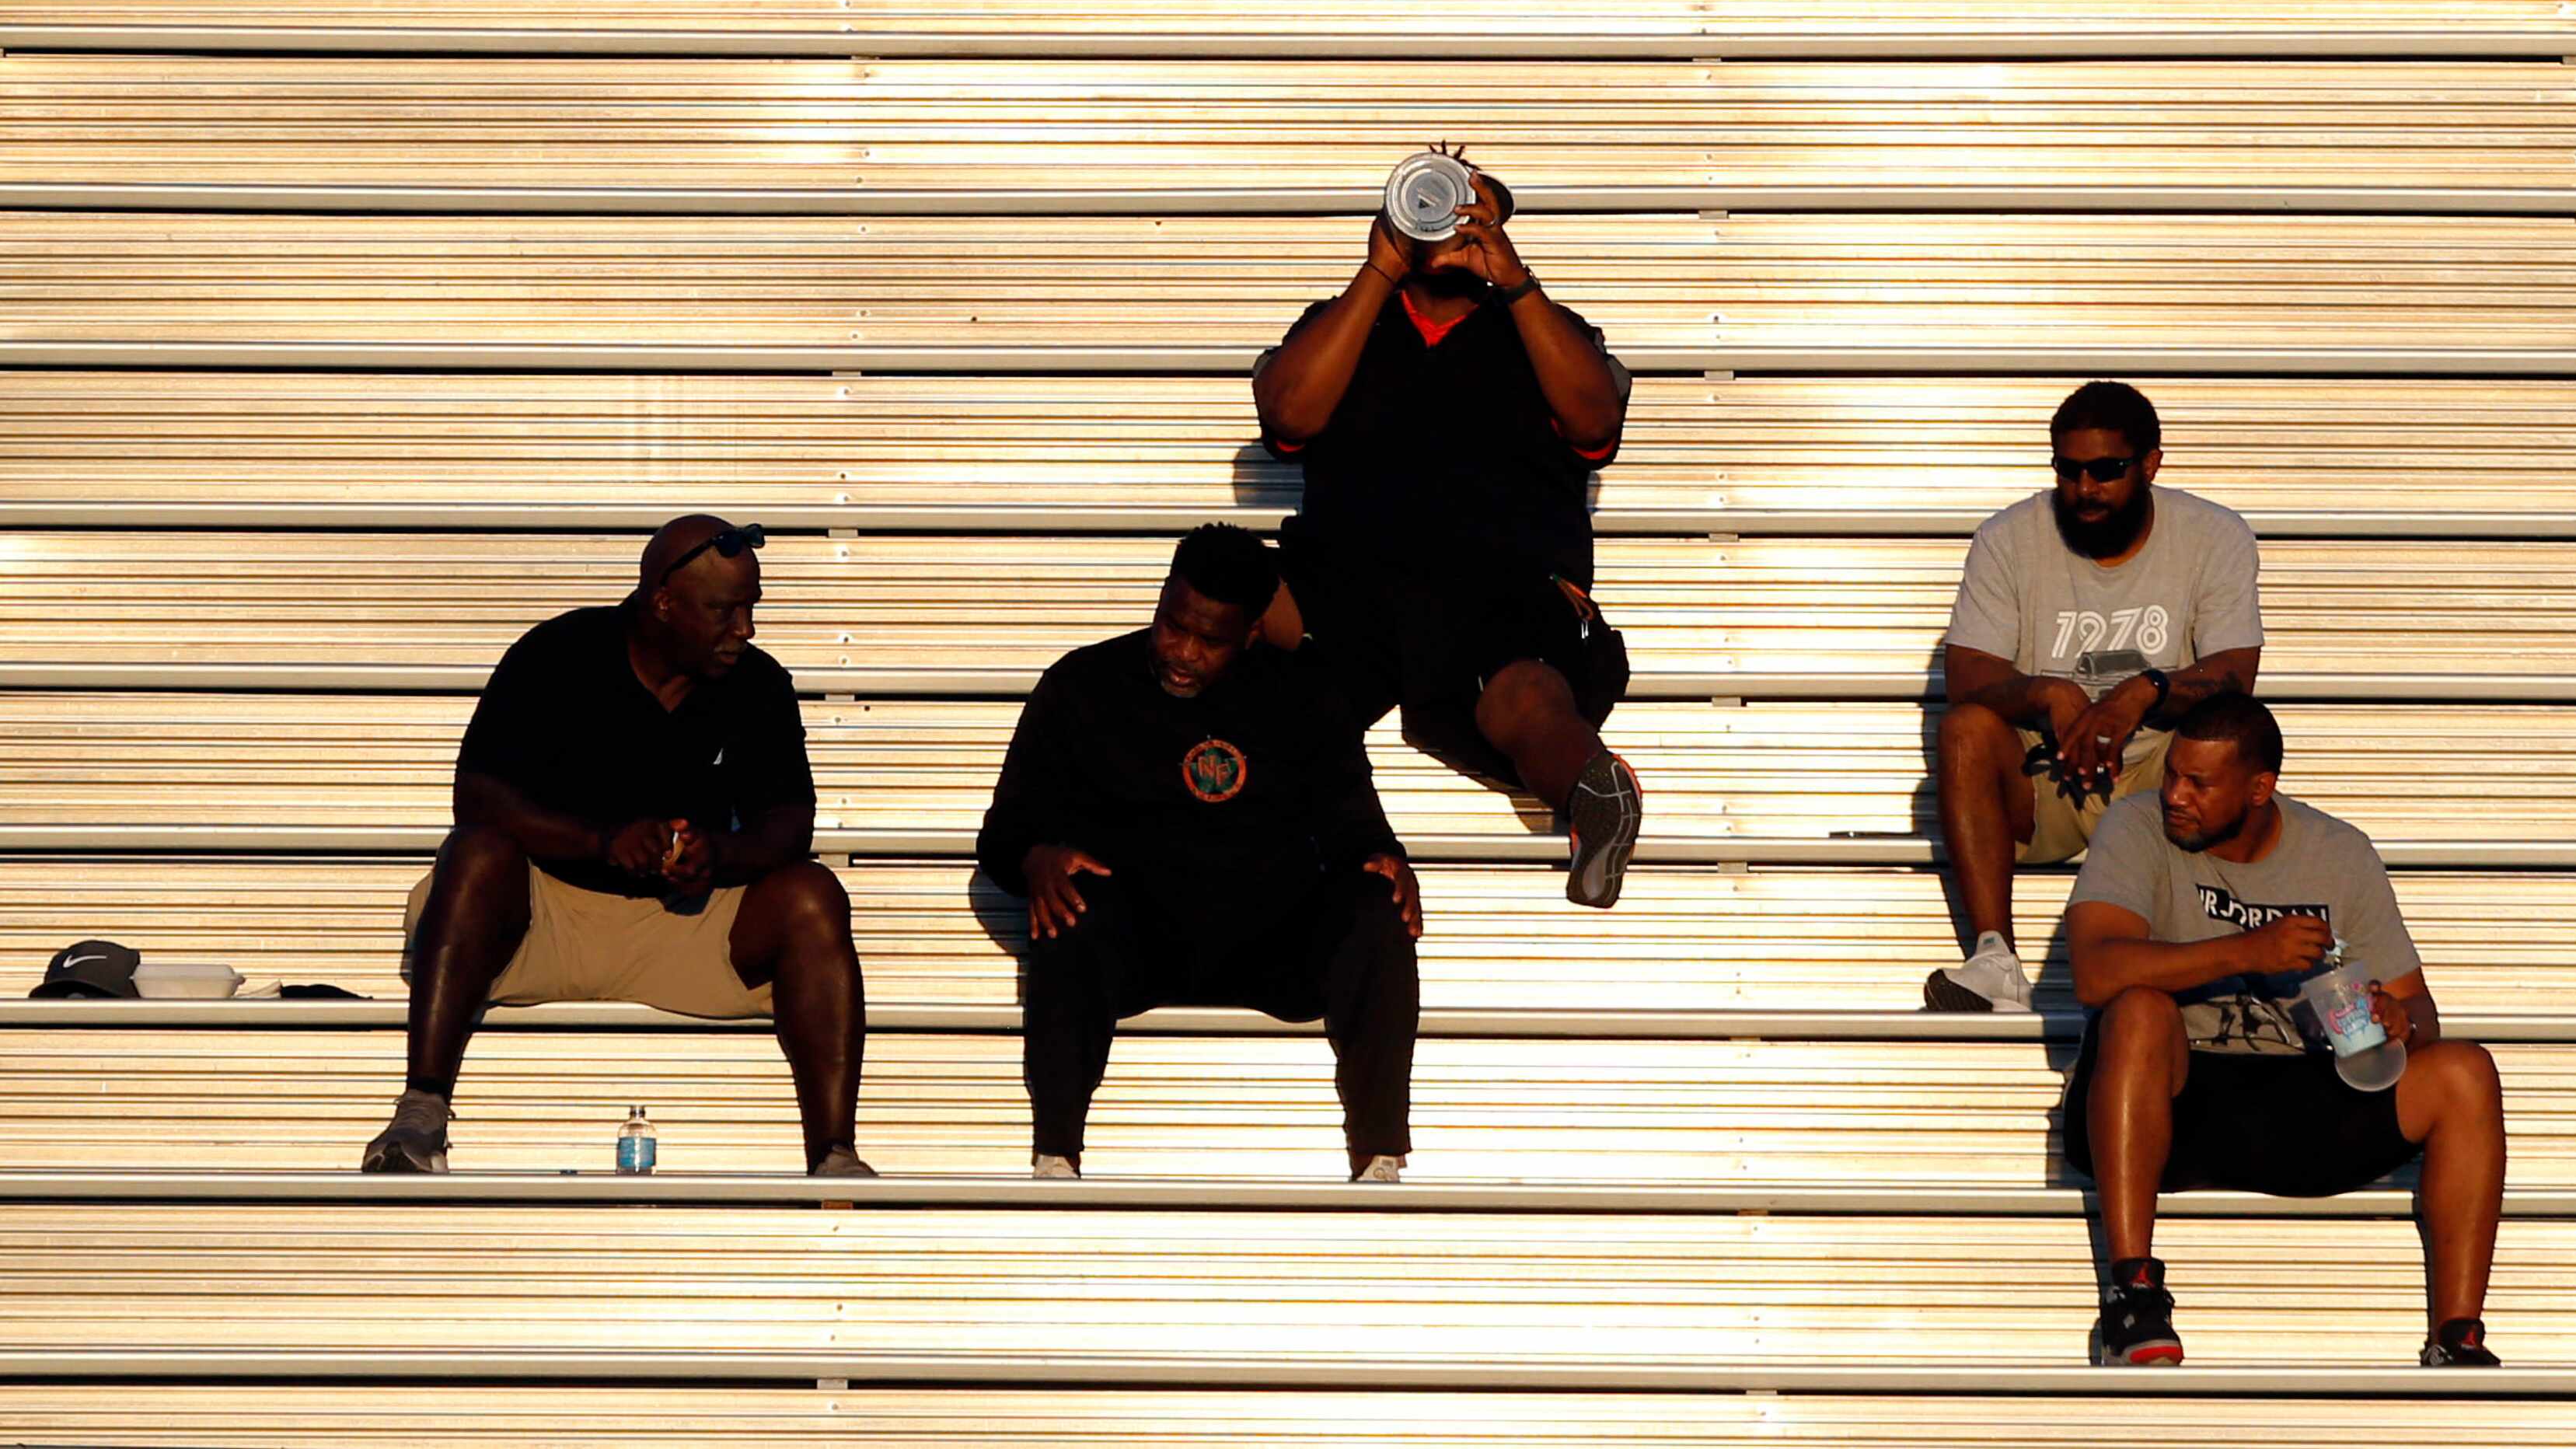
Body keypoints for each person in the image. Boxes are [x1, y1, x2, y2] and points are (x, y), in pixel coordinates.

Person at [363, 515, 872, 1178]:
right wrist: (602, 842)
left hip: (687, 925)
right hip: (549, 918)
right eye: (724, 610)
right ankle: (420, 1113)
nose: (744, 629)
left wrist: (715, 855)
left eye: (751, 608)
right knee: (475, 853)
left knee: (814, 892)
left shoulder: (758, 683)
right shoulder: (559, 653)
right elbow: (479, 798)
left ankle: (834, 1156)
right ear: (663, 603)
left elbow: (789, 825)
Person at [2061, 693, 2505, 1367]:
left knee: (2466, 1070)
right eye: (2173, 773)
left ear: (2260, 788)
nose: (2175, 794)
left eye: (2198, 783)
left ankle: (2458, 1337)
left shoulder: (2339, 852)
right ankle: (2133, 1295)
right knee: (2136, 1009)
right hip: (2171, 1102)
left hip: (2306, 1096)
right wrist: (2245, 952)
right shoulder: (2135, 825)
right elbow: (2095, 973)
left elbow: (2422, 1012)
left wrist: (2397, 1021)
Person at [1251, 148, 1643, 909]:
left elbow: (1597, 420)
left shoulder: (1545, 331)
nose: (1454, 227)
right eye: (1432, 206)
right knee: (1235, 594)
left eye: (1475, 211)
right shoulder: (1338, 324)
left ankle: (1596, 793)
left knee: (1525, 695)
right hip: (1349, 577)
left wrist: (1516, 282)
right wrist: (1380, 270)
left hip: (1500, 583)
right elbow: (1288, 413)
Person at [978, 524, 1425, 1181]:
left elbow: (1355, 823)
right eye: (1173, 626)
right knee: (1068, 900)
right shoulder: (1083, 684)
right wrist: (1035, 855)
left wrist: (1389, 863)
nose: (1183, 653)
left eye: (1209, 640)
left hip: (1273, 944)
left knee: (1376, 902)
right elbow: (1003, 832)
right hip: (1136, 942)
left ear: (1248, 634)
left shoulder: (1303, 695)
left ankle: (1379, 1156)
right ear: (1161, 600)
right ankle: (1056, 1158)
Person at [1924, 381, 2264, 1012]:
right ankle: (1995, 961)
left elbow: (2235, 675)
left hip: (2159, 776)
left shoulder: (2212, 534)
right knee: (1965, 728)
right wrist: (2049, 692)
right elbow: (1967, 675)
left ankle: (2217, 961)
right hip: (2045, 778)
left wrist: (2144, 691)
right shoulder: (2010, 537)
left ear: (2151, 463)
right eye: (2069, 470)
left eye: (2106, 470)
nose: (2085, 489)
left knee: (2237, 741)